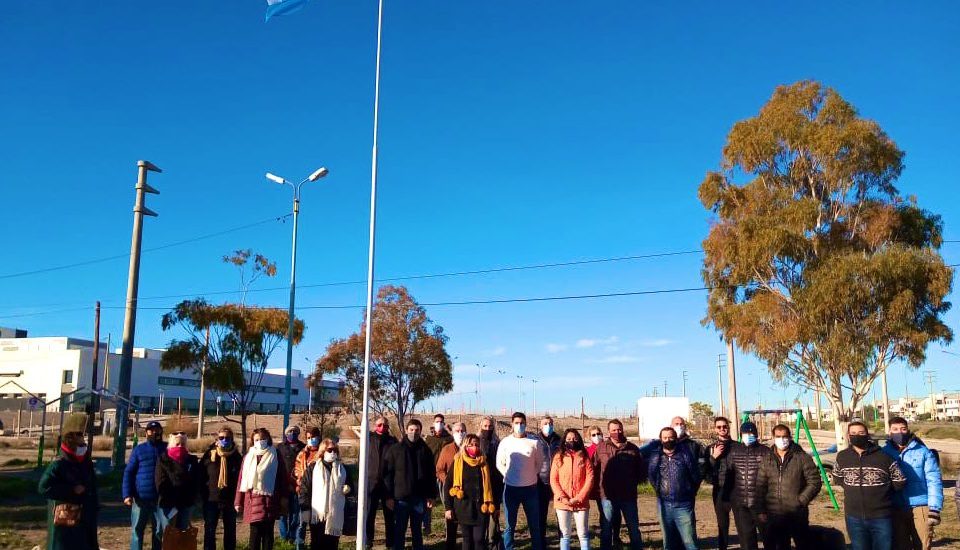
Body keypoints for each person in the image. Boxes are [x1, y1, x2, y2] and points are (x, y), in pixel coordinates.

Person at [832, 421, 906, 550]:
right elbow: (837, 477)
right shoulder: (842, 456)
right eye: (853, 433)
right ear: (848, 436)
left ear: (867, 435)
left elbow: (899, 481)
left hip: (881, 516)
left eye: (861, 433)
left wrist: (882, 493)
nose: (857, 436)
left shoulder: (883, 457)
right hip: (853, 516)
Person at [755, 424, 821, 550]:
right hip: (774, 514)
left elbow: (815, 482)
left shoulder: (802, 457)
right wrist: (761, 510)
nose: (782, 439)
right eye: (778, 436)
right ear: (773, 438)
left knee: (803, 544)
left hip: (797, 513)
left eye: (785, 436)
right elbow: (760, 486)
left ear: (790, 437)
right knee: (781, 545)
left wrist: (801, 500)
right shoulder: (767, 459)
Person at [882, 417, 943, 550]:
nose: (900, 432)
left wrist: (934, 508)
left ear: (908, 430)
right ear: (889, 432)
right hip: (895, 507)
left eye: (903, 429)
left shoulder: (923, 452)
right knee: (899, 545)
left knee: (922, 544)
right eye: (895, 429)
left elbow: (934, 481)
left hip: (920, 505)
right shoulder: (884, 453)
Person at [39, 429, 99, 550]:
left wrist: (95, 506)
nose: (83, 447)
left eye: (84, 444)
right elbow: (44, 488)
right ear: (71, 446)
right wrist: (71, 489)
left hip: (86, 515)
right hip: (65, 518)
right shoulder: (59, 464)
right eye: (80, 445)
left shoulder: (86, 462)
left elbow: (92, 486)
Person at [383, 418, 438, 550]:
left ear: (420, 431)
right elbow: (388, 475)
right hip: (400, 498)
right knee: (399, 531)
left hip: (419, 498)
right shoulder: (395, 450)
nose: (414, 432)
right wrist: (388, 497)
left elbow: (431, 475)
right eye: (411, 430)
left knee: (417, 531)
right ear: (406, 430)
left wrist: (431, 495)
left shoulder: (426, 451)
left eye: (417, 430)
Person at [496, 411, 547, 550]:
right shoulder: (505, 442)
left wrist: (530, 476)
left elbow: (539, 462)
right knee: (509, 526)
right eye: (517, 423)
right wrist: (509, 475)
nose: (519, 425)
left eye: (522, 423)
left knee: (534, 525)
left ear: (526, 424)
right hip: (511, 489)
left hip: (530, 489)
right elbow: (499, 463)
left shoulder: (534, 443)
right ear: (512, 424)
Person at [593, 419, 645, 550]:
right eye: (614, 430)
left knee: (633, 528)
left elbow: (641, 471)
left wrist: (631, 483)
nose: (617, 432)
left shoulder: (633, 448)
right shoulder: (601, 447)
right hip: (608, 496)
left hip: (628, 496)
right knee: (606, 528)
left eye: (619, 429)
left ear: (623, 430)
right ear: (609, 431)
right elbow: (595, 468)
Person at [648, 427, 701, 550]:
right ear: (661, 439)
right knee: (669, 542)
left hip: (683, 504)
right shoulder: (656, 456)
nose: (668, 440)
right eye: (665, 438)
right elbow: (652, 476)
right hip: (664, 505)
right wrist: (660, 491)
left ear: (676, 438)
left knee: (690, 541)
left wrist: (689, 492)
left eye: (671, 437)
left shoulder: (685, 454)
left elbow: (695, 476)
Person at [236, 428, 289, 550]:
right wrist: (238, 501)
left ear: (268, 439)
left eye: (263, 439)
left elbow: (282, 479)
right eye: (257, 439)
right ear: (253, 441)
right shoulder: (248, 457)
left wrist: (284, 501)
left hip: (270, 501)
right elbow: (241, 480)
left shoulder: (275, 454)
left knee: (267, 535)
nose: (260, 441)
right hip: (252, 501)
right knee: (254, 536)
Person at [444, 434, 497, 550]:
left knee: (479, 539)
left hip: (481, 507)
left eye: (476, 445)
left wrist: (495, 505)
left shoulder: (485, 462)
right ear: (465, 446)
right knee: (467, 539)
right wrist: (448, 507)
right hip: (463, 507)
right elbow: (448, 484)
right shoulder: (458, 462)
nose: (474, 447)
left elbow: (493, 484)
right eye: (471, 445)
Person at [298, 438, 353, 550]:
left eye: (335, 450)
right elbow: (305, 489)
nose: (333, 452)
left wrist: (348, 489)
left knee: (332, 544)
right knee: (317, 543)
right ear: (323, 451)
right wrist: (305, 508)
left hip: (335, 514)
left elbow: (351, 488)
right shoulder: (313, 468)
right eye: (330, 450)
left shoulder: (343, 469)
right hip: (318, 515)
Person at [123, 420, 168, 550]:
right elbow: (129, 472)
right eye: (151, 430)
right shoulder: (139, 450)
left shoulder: (167, 449)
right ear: (147, 432)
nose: (154, 433)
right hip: (140, 498)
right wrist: (127, 494)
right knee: (137, 530)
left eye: (157, 430)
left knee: (159, 532)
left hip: (160, 499)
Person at [726, 421, 768, 550]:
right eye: (745, 433)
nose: (748, 436)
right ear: (741, 434)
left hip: (761, 504)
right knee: (747, 539)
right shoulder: (734, 451)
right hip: (742, 504)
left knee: (768, 537)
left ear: (756, 434)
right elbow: (728, 474)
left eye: (751, 433)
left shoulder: (765, 451)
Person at [550, 428, 594, 550]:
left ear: (579, 440)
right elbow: (554, 479)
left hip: (581, 502)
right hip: (562, 502)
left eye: (574, 439)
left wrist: (579, 498)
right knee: (565, 534)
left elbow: (590, 479)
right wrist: (563, 497)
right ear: (564, 441)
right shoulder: (558, 457)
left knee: (583, 534)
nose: (572, 441)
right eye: (569, 439)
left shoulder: (584, 457)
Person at [200, 426, 243, 550]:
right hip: (211, 499)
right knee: (209, 530)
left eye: (227, 438)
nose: (224, 440)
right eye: (222, 437)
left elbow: (241, 478)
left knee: (230, 530)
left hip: (230, 500)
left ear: (232, 439)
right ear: (217, 439)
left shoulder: (236, 457)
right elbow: (201, 475)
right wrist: (203, 494)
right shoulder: (209, 455)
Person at [155, 426, 200, 532]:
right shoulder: (163, 460)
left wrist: (191, 498)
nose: (180, 447)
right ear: (171, 445)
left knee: (182, 533)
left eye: (183, 444)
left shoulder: (192, 460)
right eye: (177, 444)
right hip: (168, 504)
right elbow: (160, 482)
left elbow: (196, 481)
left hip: (186, 503)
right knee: (167, 533)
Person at [706, 416, 739, 550]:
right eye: (719, 427)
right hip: (720, 490)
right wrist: (713, 457)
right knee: (722, 524)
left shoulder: (738, 446)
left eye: (724, 426)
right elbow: (705, 471)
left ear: (728, 427)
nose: (722, 429)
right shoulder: (710, 448)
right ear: (715, 429)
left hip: (737, 490)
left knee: (742, 523)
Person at [366, 416, 398, 549]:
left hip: (388, 485)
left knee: (389, 516)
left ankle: (390, 543)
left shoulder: (393, 441)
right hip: (371, 483)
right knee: (369, 514)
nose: (382, 427)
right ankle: (368, 541)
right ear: (375, 426)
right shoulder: (368, 439)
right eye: (380, 425)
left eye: (385, 425)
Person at [436, 422, 468, 550]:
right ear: (453, 433)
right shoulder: (447, 449)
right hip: (451, 493)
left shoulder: (472, 448)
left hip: (468, 493)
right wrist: (448, 483)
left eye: (462, 430)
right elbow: (439, 469)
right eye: (457, 431)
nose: (460, 433)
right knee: (451, 522)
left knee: (468, 523)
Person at [294, 428, 324, 549]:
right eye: (309, 438)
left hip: (319, 494)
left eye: (314, 437)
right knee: (302, 523)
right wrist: (299, 483)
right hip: (304, 493)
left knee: (316, 524)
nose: (311, 440)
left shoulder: (323, 453)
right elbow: (296, 471)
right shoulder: (302, 454)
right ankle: (299, 546)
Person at [425, 413, 454, 536]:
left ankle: (448, 529)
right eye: (437, 421)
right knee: (428, 503)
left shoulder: (449, 439)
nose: (439, 424)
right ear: (433, 423)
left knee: (446, 503)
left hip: (444, 476)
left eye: (441, 422)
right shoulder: (428, 440)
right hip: (430, 475)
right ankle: (426, 527)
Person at [277, 425, 306, 545]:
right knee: (283, 513)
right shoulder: (280, 448)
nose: (292, 433)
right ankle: (284, 537)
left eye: (295, 431)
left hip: (298, 486)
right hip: (283, 486)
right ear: (286, 433)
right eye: (290, 431)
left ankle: (292, 537)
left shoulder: (303, 447)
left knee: (295, 514)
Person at [536, 415, 562, 548]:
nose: (548, 425)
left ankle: (563, 540)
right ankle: (541, 541)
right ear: (540, 426)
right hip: (541, 481)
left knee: (561, 514)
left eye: (550, 423)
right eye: (545, 423)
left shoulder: (559, 440)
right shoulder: (535, 440)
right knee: (541, 514)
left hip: (558, 482)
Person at [477, 416, 503, 548]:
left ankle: (492, 542)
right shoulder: (475, 442)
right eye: (485, 426)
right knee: (480, 521)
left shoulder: (497, 443)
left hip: (495, 484)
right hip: (479, 486)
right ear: (481, 426)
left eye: (490, 426)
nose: (488, 429)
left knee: (494, 519)